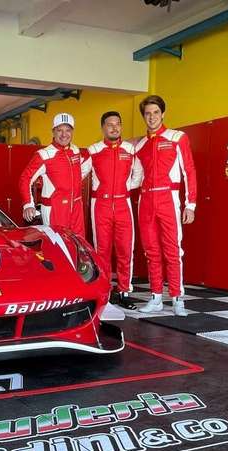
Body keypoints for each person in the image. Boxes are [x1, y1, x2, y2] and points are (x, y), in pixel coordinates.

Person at [134, 95, 197, 317]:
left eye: (155, 113)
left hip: (168, 199)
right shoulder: (140, 144)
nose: (151, 117)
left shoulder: (177, 137)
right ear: (144, 116)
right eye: (147, 113)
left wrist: (190, 205)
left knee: (173, 250)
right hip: (145, 201)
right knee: (151, 251)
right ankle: (156, 298)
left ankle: (177, 299)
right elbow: (136, 177)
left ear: (163, 114)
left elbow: (189, 170)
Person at [84, 111, 143, 309]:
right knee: (103, 251)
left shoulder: (130, 149)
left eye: (118, 124)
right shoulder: (93, 150)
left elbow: (139, 175)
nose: (114, 128)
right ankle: (105, 291)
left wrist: (126, 188)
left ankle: (124, 291)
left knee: (126, 249)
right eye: (110, 124)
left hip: (123, 204)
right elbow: (78, 174)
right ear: (103, 128)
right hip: (100, 205)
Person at [19, 113, 88, 238]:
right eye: (59, 130)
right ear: (53, 132)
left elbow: (82, 168)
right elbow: (25, 178)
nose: (64, 134)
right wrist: (28, 204)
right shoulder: (44, 154)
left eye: (67, 130)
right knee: (58, 246)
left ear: (72, 132)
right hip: (55, 208)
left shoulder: (75, 151)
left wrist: (76, 181)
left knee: (79, 245)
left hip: (77, 207)